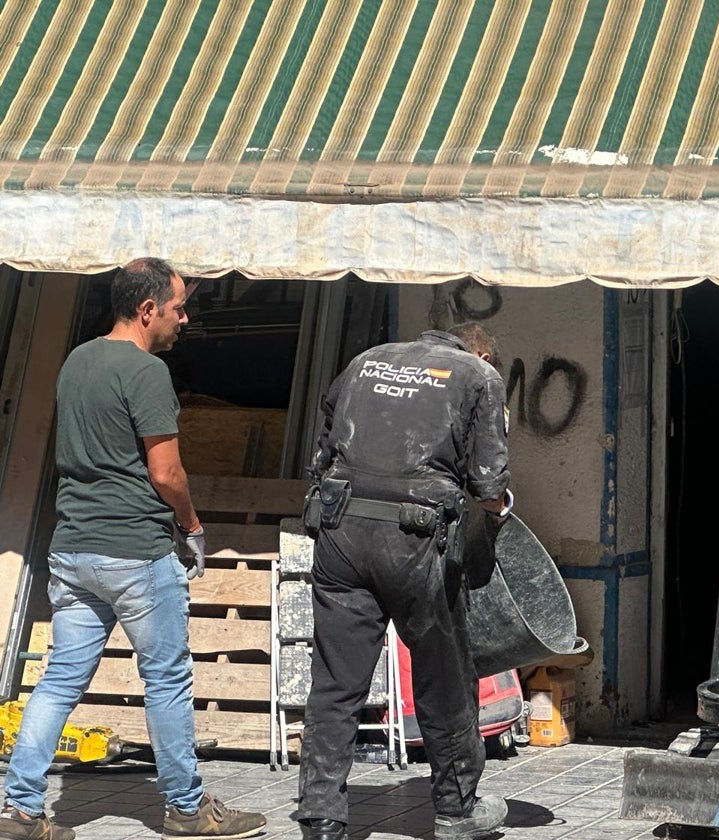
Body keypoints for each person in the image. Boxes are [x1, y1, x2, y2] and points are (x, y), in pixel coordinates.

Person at [0, 258, 267, 840]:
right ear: (147, 311)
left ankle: (21, 811)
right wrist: (192, 526)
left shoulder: (76, 360)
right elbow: (166, 473)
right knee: (167, 679)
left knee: (58, 679)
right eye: (177, 308)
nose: (184, 318)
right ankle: (187, 809)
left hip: (73, 548)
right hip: (135, 552)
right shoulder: (146, 373)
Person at [297, 322, 512, 840]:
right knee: (444, 678)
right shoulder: (478, 375)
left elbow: (320, 460)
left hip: (340, 533)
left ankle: (321, 817)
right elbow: (488, 486)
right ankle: (457, 810)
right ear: (481, 351)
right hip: (417, 542)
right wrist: (501, 515)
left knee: (335, 682)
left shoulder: (365, 360)